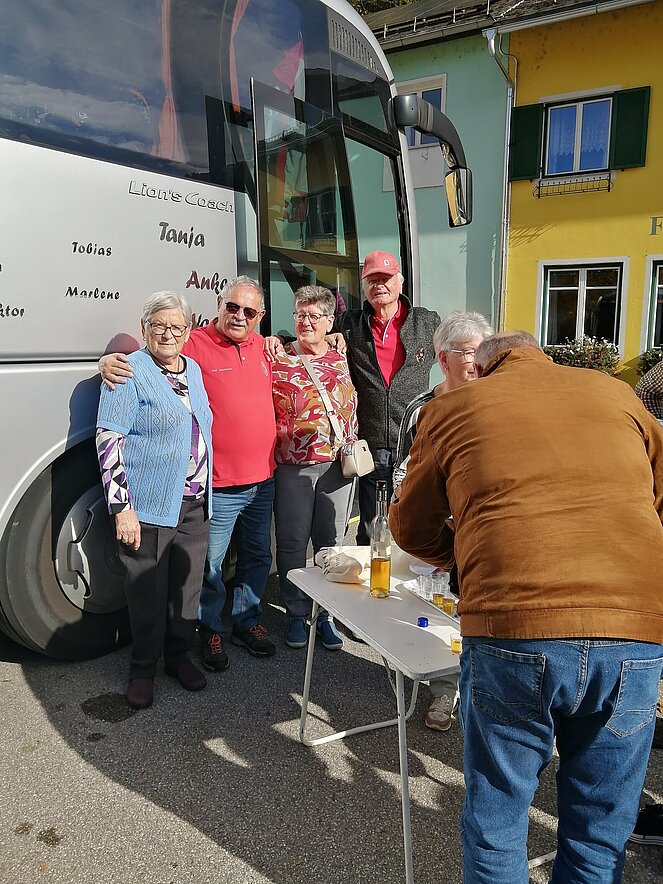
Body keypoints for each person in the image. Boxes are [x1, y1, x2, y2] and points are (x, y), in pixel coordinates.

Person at [390, 331, 663, 884]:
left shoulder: (454, 407)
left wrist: (466, 559)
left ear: (484, 368)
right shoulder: (617, 393)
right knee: (599, 831)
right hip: (632, 626)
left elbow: (411, 527)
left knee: (498, 821)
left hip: (514, 623)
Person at [99, 276, 280, 673]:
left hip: (214, 495)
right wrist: (104, 361)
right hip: (172, 497)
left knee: (197, 580)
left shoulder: (202, 366)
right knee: (160, 586)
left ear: (260, 316)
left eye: (249, 311)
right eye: (232, 306)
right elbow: (109, 438)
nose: (168, 334)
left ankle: (191, 650)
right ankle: (153, 662)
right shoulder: (142, 364)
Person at [97, 292, 213, 709]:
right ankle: (143, 668)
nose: (168, 334)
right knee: (147, 591)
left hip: (195, 502)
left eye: (176, 326)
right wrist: (121, 508)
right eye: (159, 325)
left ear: (188, 330)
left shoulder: (193, 369)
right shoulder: (129, 371)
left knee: (187, 587)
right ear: (144, 328)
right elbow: (108, 440)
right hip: (148, 504)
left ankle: (179, 656)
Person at [392, 310, 493, 732]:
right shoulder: (422, 408)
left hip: (483, 529)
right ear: (443, 358)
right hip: (439, 528)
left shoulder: (497, 400)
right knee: (436, 611)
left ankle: (477, 689)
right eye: (468, 352)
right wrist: (417, 512)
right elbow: (403, 469)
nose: (477, 361)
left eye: (483, 352)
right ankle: (444, 688)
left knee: (478, 614)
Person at [333, 250, 441, 545]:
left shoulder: (427, 322)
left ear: (400, 283)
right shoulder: (348, 324)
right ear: (364, 287)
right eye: (372, 280)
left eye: (386, 278)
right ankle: (373, 570)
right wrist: (280, 341)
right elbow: (311, 336)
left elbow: (456, 350)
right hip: (372, 443)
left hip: (414, 441)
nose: (379, 285)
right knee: (372, 527)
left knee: (415, 520)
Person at [272, 286, 358, 650]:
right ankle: (296, 613)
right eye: (299, 315)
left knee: (331, 543)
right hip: (294, 467)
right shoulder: (277, 355)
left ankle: (325, 616)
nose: (305, 322)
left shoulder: (343, 354)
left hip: (339, 467)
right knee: (292, 542)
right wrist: (275, 339)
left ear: (329, 321)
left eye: (313, 316)